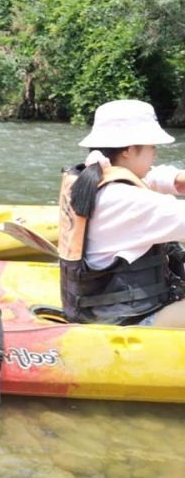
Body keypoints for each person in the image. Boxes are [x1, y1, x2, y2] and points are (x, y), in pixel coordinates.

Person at [58, 99, 185, 327]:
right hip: (130, 321)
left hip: (99, 311)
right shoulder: (128, 202)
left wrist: (175, 180)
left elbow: (147, 176)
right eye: (152, 147)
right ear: (128, 150)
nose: (155, 155)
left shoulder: (90, 178)